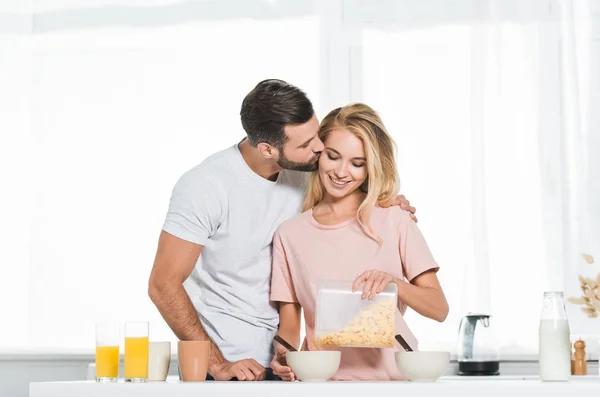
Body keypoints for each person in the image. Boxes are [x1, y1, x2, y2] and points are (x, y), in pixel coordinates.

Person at [148, 80, 417, 381]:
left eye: (316, 134)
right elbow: (162, 284)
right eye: (305, 144)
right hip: (230, 365)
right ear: (267, 149)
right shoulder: (206, 186)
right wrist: (216, 363)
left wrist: (388, 202)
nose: (319, 147)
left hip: (287, 364)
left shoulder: (305, 170)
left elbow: (351, 181)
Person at [269, 103, 448, 381]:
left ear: (370, 168)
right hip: (322, 383)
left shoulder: (395, 219)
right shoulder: (289, 234)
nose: (341, 172)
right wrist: (283, 356)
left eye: (357, 163)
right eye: (333, 156)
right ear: (318, 153)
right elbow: (290, 325)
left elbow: (439, 308)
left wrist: (394, 284)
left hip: (392, 384)